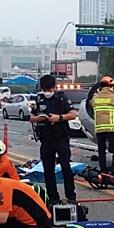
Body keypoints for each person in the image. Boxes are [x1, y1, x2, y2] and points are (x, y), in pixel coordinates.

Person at [30, 75, 78, 206]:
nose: (47, 92)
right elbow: (31, 117)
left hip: (61, 137)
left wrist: (60, 117)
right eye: (45, 89)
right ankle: (53, 198)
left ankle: (71, 196)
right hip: (46, 139)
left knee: (65, 167)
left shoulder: (61, 98)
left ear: (54, 87)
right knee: (48, 169)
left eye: (49, 89)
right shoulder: (39, 99)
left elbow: (73, 114)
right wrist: (38, 118)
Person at [90, 76, 114, 180]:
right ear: (111, 86)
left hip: (99, 129)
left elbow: (91, 105)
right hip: (113, 128)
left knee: (101, 151)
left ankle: (103, 171)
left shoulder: (95, 98)